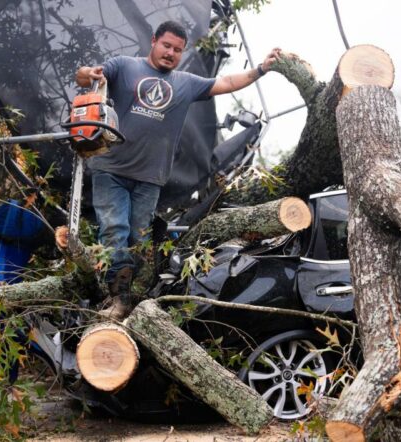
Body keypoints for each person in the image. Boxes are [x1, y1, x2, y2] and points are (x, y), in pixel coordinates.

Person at [75, 20, 281, 319]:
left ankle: (135, 297)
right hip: (111, 168)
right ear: (154, 41)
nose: (170, 53)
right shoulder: (124, 66)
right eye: (166, 45)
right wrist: (86, 73)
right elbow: (86, 77)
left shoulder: (186, 83)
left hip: (149, 178)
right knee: (114, 229)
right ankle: (115, 299)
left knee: (139, 237)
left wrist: (261, 68)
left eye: (177, 50)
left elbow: (227, 83)